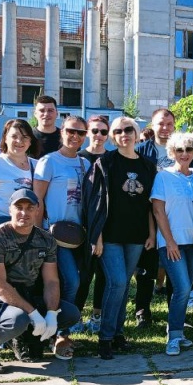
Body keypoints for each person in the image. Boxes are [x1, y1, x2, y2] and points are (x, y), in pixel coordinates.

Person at [0, 189, 80, 373]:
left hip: (27, 293)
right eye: (19, 207)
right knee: (17, 319)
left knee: (70, 314)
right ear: (10, 209)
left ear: (37, 210)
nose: (24, 213)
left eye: (30, 208)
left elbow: (51, 281)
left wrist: (51, 314)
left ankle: (22, 338)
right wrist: (34, 314)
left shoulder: (46, 239)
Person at [82, 116, 156, 360]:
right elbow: (94, 204)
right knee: (118, 282)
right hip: (110, 235)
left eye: (129, 130)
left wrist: (152, 233)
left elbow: (150, 205)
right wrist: (97, 237)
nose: (124, 134)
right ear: (113, 136)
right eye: (118, 131)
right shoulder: (105, 163)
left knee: (124, 287)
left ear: (136, 134)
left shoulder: (148, 165)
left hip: (136, 236)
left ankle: (118, 333)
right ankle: (104, 337)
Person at [32, 116, 91, 330]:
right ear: (62, 132)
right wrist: (38, 234)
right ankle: (63, 324)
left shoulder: (85, 163)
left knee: (79, 279)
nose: (75, 136)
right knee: (70, 280)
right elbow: (37, 200)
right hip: (55, 234)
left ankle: (68, 319)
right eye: (70, 131)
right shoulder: (49, 161)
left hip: (79, 234)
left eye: (81, 133)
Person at [150, 132, 193, 356]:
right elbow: (158, 210)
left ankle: (179, 332)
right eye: (179, 150)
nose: (184, 154)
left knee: (186, 288)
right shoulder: (164, 177)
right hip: (172, 243)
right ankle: (173, 335)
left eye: (189, 149)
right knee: (181, 287)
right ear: (172, 152)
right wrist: (169, 241)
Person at [133, 108, 175, 328]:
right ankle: (142, 310)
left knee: (173, 265)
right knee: (147, 267)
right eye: (161, 123)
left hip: (174, 217)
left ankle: (175, 313)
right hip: (145, 216)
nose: (165, 128)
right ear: (153, 124)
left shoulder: (181, 149)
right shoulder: (140, 150)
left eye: (169, 124)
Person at [76, 114, 109, 331]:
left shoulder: (111, 159)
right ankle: (75, 316)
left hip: (106, 226)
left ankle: (97, 316)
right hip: (79, 224)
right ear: (88, 132)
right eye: (94, 130)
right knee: (82, 274)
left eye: (103, 131)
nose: (98, 135)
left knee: (103, 274)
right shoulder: (78, 157)